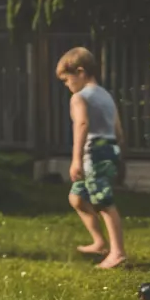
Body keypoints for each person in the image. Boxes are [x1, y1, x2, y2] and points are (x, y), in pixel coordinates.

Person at [57, 47, 127, 269]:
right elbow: (118, 128)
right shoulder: (106, 95)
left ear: (80, 72)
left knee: (103, 202)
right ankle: (99, 242)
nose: (66, 85)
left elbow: (82, 124)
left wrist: (76, 158)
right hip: (109, 148)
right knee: (77, 198)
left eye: (67, 79)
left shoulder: (80, 97)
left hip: (94, 152)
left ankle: (117, 253)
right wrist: (119, 155)